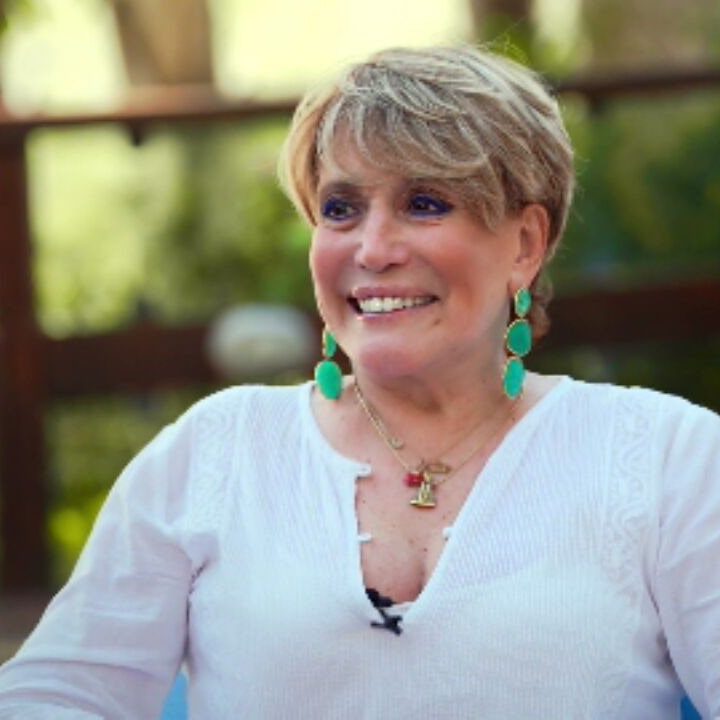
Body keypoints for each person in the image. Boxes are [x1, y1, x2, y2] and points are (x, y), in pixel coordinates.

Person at [0, 45, 718, 719]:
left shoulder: (665, 457)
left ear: (525, 244)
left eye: (425, 203)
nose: (372, 249)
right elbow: (57, 695)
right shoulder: (216, 451)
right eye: (341, 209)